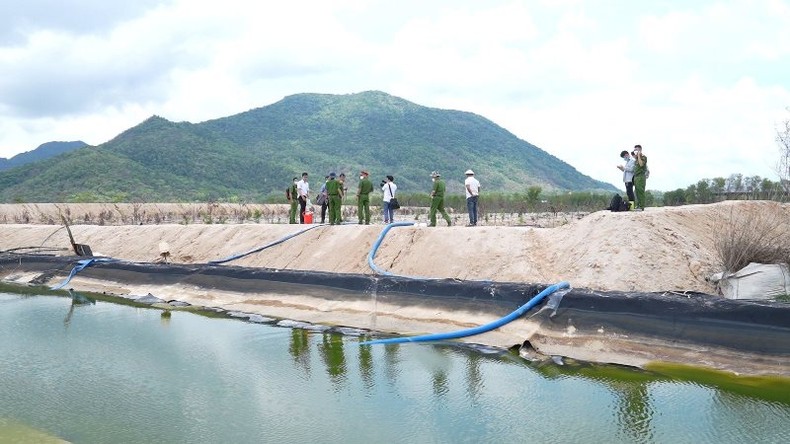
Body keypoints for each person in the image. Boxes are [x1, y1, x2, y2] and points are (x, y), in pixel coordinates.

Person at [632, 145, 648, 211]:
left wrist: (638, 155)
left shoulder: (643, 157)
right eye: (635, 150)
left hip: (641, 176)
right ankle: (638, 205)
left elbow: (641, 164)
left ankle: (641, 206)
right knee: (637, 191)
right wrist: (635, 156)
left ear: (640, 150)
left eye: (637, 150)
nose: (635, 151)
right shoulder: (636, 159)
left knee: (641, 191)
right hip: (636, 177)